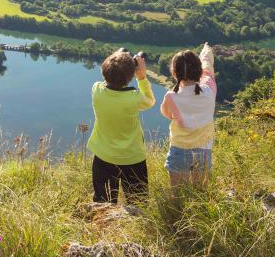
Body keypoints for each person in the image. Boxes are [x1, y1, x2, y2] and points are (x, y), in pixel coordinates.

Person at [87, 48, 155, 203]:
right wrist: (142, 76)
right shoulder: (135, 98)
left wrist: (118, 56)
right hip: (132, 158)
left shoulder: (96, 90)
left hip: (103, 156)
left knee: (103, 202)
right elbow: (150, 100)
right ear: (130, 76)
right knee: (138, 203)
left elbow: (107, 80)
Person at [160, 43, 216, 186]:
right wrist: (205, 54)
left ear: (174, 73)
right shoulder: (210, 90)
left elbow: (166, 113)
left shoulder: (171, 96)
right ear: (199, 71)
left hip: (179, 148)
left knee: (178, 193)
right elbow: (208, 70)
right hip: (203, 149)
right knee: (200, 192)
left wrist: (177, 116)